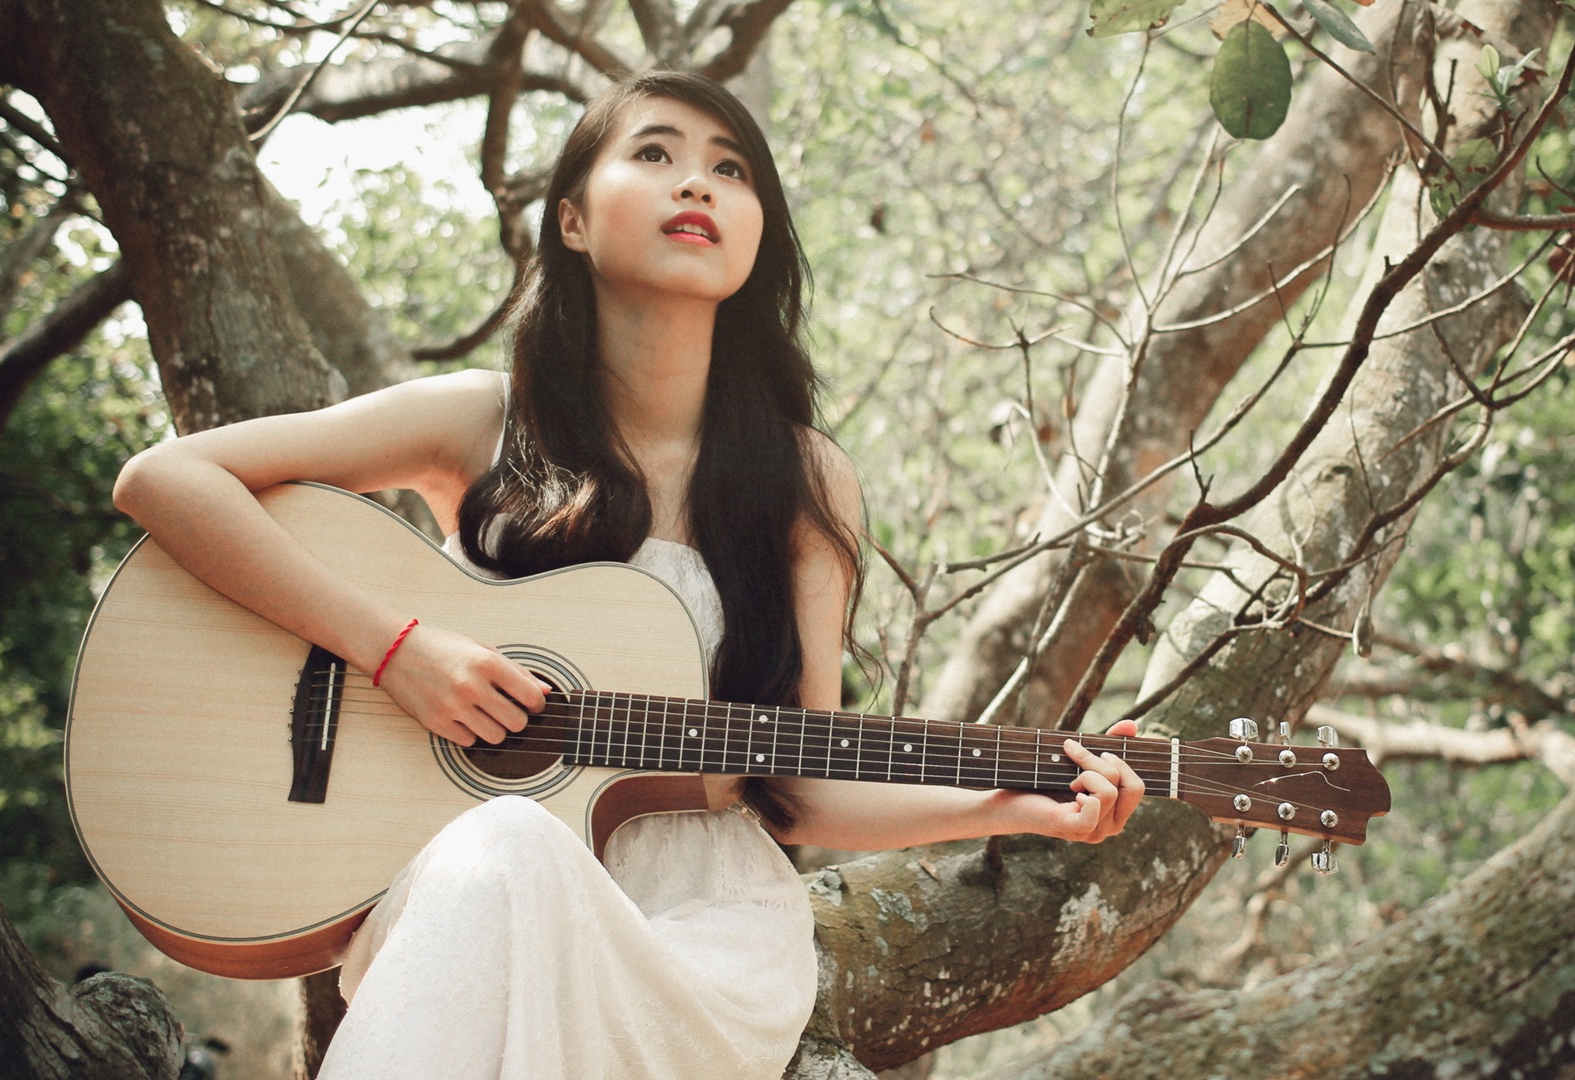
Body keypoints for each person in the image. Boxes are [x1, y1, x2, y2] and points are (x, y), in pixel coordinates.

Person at [113, 71, 1145, 1079]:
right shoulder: (482, 424)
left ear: (756, 233)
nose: (697, 184)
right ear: (570, 220)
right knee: (510, 842)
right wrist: (394, 650)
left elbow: (803, 784)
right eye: (655, 154)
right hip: (461, 903)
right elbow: (167, 480)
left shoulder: (803, 480)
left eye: (730, 169)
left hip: (702, 942)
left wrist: (1011, 804)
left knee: (511, 840)